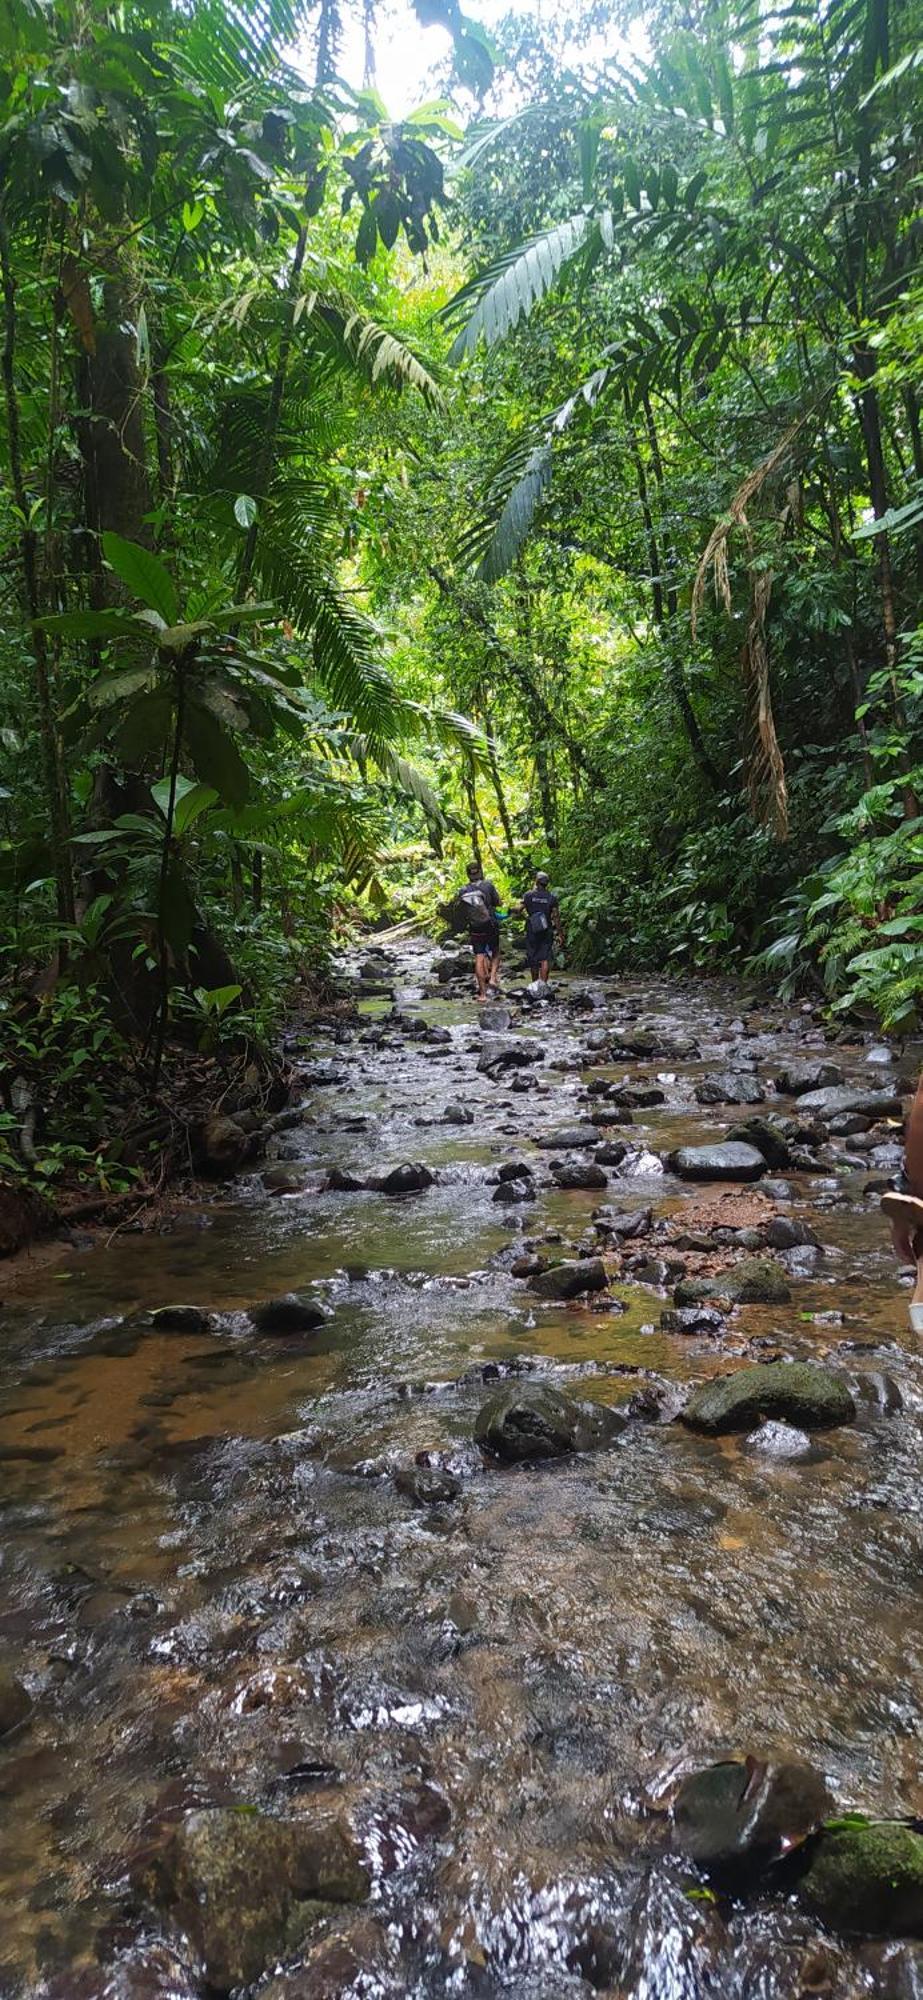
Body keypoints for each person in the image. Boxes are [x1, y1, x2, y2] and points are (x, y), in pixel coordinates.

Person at [455, 861, 501, 1001]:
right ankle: (492, 978)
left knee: (479, 957)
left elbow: (460, 911)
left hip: (475, 927)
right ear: (480, 872)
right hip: (490, 924)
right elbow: (497, 903)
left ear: (468, 875)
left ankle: (482, 994)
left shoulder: (463, 890)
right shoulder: (488, 885)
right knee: (496, 951)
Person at [521, 869, 565, 985]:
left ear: (536, 881)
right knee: (545, 958)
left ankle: (535, 985)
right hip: (546, 930)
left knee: (533, 958)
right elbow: (556, 917)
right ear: (547, 883)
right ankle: (543, 985)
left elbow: (519, 909)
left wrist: (508, 911)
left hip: (532, 930)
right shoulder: (551, 897)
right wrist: (560, 934)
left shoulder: (528, 895)